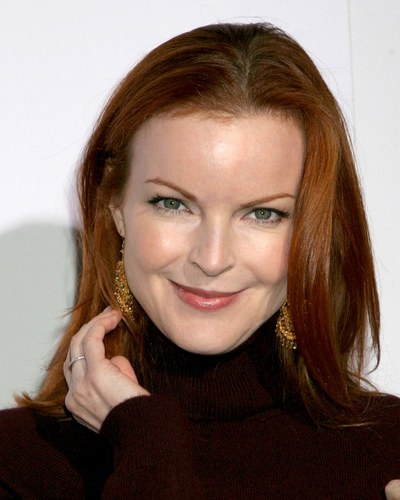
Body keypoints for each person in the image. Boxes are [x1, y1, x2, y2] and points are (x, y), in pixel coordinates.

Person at [0, 22, 399, 499]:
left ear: (313, 228)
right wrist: (146, 438)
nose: (212, 259)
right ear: (115, 204)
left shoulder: (388, 450)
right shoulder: (15, 463)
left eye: (263, 214)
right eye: (173, 204)